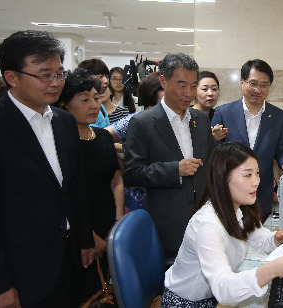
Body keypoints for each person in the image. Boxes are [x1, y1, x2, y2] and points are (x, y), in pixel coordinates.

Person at [0, 30, 94, 308]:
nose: (56, 83)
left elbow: (74, 187)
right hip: (20, 272)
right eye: (45, 75)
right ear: (12, 77)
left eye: (60, 73)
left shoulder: (63, 122)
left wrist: (83, 239)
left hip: (68, 261)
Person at [162, 142, 283, 307]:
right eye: (247, 175)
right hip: (188, 302)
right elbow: (223, 288)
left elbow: (258, 237)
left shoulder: (240, 207)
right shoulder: (206, 225)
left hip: (211, 297)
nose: (256, 181)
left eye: (257, 173)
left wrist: (278, 239)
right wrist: (272, 270)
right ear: (223, 178)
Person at [124, 53, 214, 260]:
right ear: (163, 81)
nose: (188, 93)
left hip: (202, 222)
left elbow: (210, 163)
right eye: (182, 85)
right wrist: (175, 170)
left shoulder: (200, 119)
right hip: (168, 226)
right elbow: (132, 173)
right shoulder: (143, 123)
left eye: (193, 86)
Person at [57, 68, 124, 302]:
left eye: (96, 98)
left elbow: (115, 180)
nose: (94, 105)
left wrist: (116, 224)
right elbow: (66, 194)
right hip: (79, 229)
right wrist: (90, 236)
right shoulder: (60, 143)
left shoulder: (103, 136)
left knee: (109, 289)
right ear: (64, 104)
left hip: (109, 222)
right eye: (84, 99)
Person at [211, 59, 283, 219]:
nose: (258, 89)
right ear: (242, 82)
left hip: (261, 196)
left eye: (264, 85)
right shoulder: (223, 113)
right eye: (253, 83)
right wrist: (212, 139)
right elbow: (214, 153)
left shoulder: (278, 117)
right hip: (229, 196)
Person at [105, 73, 164, 212]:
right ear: (152, 92)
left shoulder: (174, 121)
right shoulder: (135, 120)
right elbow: (101, 137)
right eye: (164, 89)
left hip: (166, 197)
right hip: (140, 198)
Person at [78, 59, 110, 128]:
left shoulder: (100, 105)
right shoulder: (82, 105)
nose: (105, 81)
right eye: (100, 77)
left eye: (106, 77)